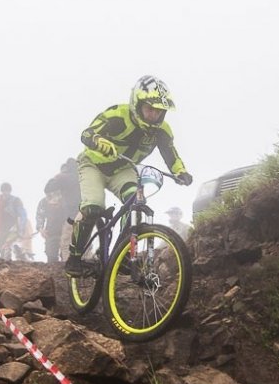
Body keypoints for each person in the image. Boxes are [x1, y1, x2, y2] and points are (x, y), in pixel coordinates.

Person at [65, 76, 194, 276]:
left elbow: (171, 155)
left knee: (136, 204)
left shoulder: (162, 131)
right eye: (150, 109)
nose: (154, 115)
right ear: (137, 104)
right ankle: (74, 258)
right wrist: (99, 141)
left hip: (123, 170)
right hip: (93, 164)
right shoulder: (118, 115)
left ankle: (120, 254)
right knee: (93, 207)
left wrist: (181, 172)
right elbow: (87, 134)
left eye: (159, 110)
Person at [41, 158, 81, 263]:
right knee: (82, 243)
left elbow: (48, 187)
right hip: (85, 215)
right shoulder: (83, 177)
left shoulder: (64, 179)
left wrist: (58, 176)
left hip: (71, 219)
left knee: (66, 244)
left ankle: (69, 269)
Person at [0, 182, 27, 260]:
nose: (6, 193)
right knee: (1, 249)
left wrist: (21, 229)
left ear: (10, 191)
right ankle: (5, 263)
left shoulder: (16, 200)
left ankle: (19, 257)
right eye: (4, 191)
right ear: (1, 191)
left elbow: (23, 215)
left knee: (10, 245)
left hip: (12, 228)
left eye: (8, 191)